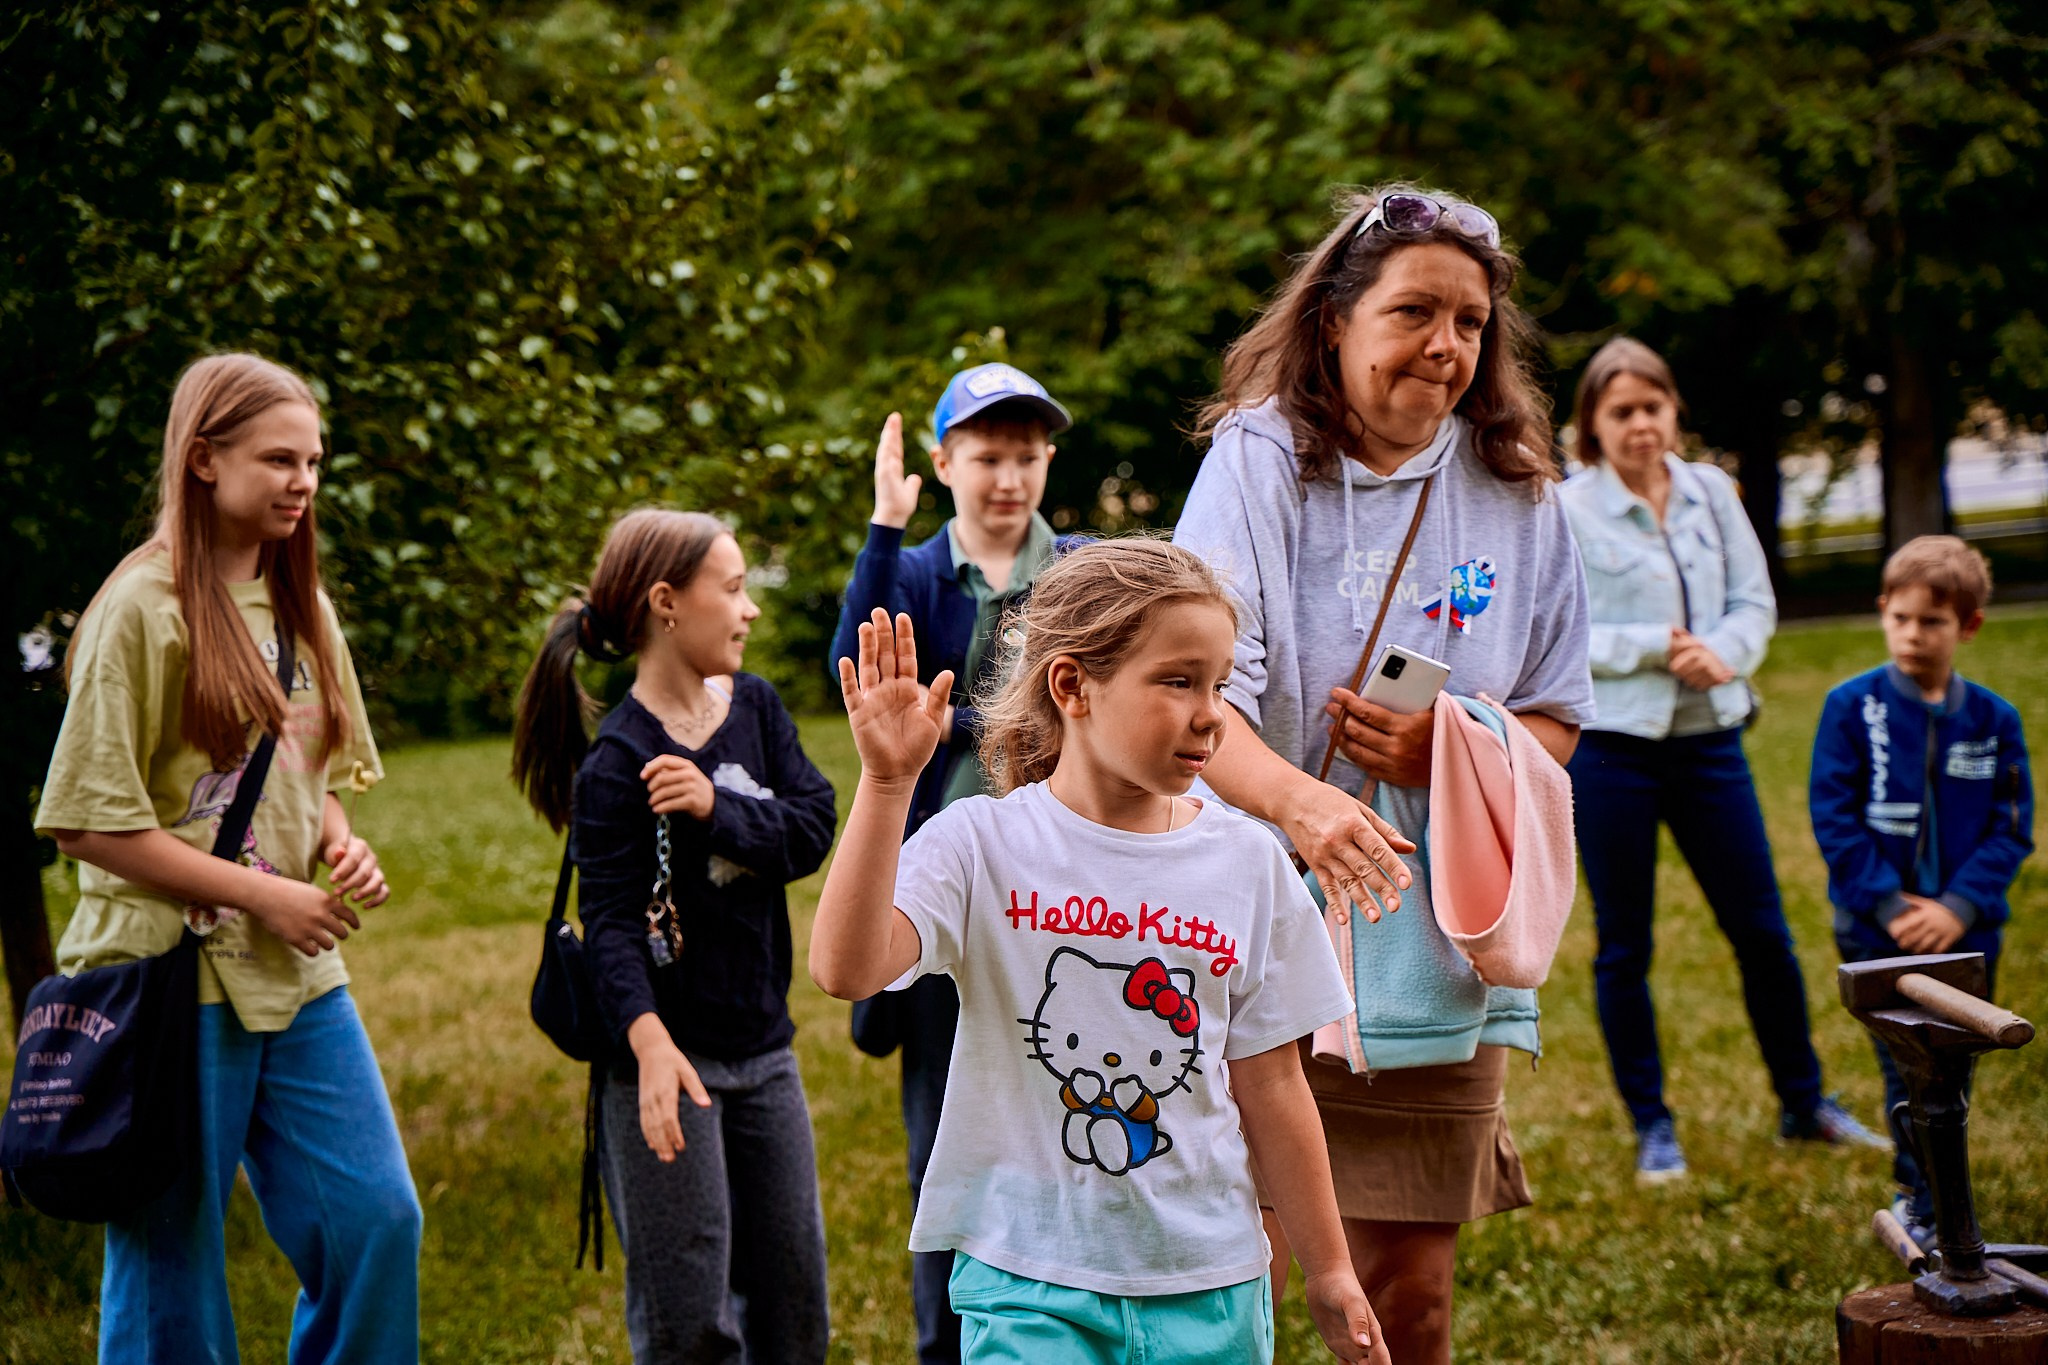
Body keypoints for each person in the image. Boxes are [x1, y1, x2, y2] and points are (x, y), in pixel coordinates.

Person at [1172, 185, 1592, 1365]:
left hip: (1428, 935)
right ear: (1334, 321)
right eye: (1414, 311)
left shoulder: (1516, 487)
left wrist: (1449, 750)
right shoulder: (1258, 462)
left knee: (1409, 1300)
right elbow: (1201, 702)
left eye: (1468, 321)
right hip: (1254, 910)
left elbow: (1557, 714)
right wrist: (1307, 810)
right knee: (1236, 1282)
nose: (1445, 345)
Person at [812, 544, 1391, 1365]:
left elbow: (1273, 1085)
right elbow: (846, 968)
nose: (1212, 714)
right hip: (1026, 1279)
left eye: (1220, 684)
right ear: (1072, 685)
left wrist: (1329, 1268)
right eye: (1179, 680)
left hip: (1209, 1282)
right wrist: (884, 785)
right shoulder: (981, 842)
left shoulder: (1249, 862)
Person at [36, 353, 417, 1362]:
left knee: (377, 1218)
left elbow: (308, 775)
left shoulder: (303, 609)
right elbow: (85, 823)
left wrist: (340, 845)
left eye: (314, 462)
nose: (304, 482)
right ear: (203, 459)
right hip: (164, 981)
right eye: (279, 459)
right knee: (171, 1261)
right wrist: (263, 893)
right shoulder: (140, 609)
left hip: (296, 973)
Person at [514, 509, 837, 1364]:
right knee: (689, 1324)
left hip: (765, 1055)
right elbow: (612, 929)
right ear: (667, 603)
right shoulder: (617, 760)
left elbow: (812, 826)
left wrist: (714, 807)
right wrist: (651, 1044)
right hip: (663, 1067)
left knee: (795, 1308)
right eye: (732, 588)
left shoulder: (756, 707)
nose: (750, 608)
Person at [1559, 336, 1884, 1183]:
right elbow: (1557, 634)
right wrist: (1653, 645)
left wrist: (1726, 653)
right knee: (1625, 944)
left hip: (1711, 741)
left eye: (1653, 406)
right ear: (1593, 424)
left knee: (1763, 932)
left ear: (1674, 411)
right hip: (1614, 749)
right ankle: (1652, 1125)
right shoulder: (1566, 509)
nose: (1641, 424)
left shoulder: (1709, 490)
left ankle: (1804, 1101)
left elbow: (1753, 599)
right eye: (1622, 411)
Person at [825, 362, 1082, 1364]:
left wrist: (965, 721)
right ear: (944, 464)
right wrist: (883, 531)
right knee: (944, 1130)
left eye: (1026, 456)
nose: (1008, 478)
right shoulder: (915, 570)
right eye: (986, 458)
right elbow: (857, 673)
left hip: (1065, 885)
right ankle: (950, 1341)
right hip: (950, 891)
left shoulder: (1080, 569)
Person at [1809, 535, 2033, 1245]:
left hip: (1966, 937)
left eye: (1932, 621)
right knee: (1906, 1070)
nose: (1912, 634)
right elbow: (1833, 818)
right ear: (1882, 611)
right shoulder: (1851, 708)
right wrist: (1890, 904)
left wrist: (1957, 908)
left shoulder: (1994, 720)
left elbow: (2011, 829)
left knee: (1954, 1073)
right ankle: (1921, 1199)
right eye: (1900, 617)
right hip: (1878, 932)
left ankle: (1947, 1197)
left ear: (1969, 626)